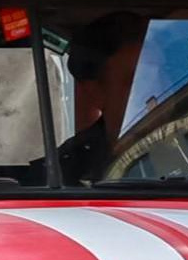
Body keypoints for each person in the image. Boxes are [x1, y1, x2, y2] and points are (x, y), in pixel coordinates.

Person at [55, 11, 149, 184]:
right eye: (136, 81)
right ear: (96, 92)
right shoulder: (63, 174)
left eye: (163, 73)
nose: (151, 90)